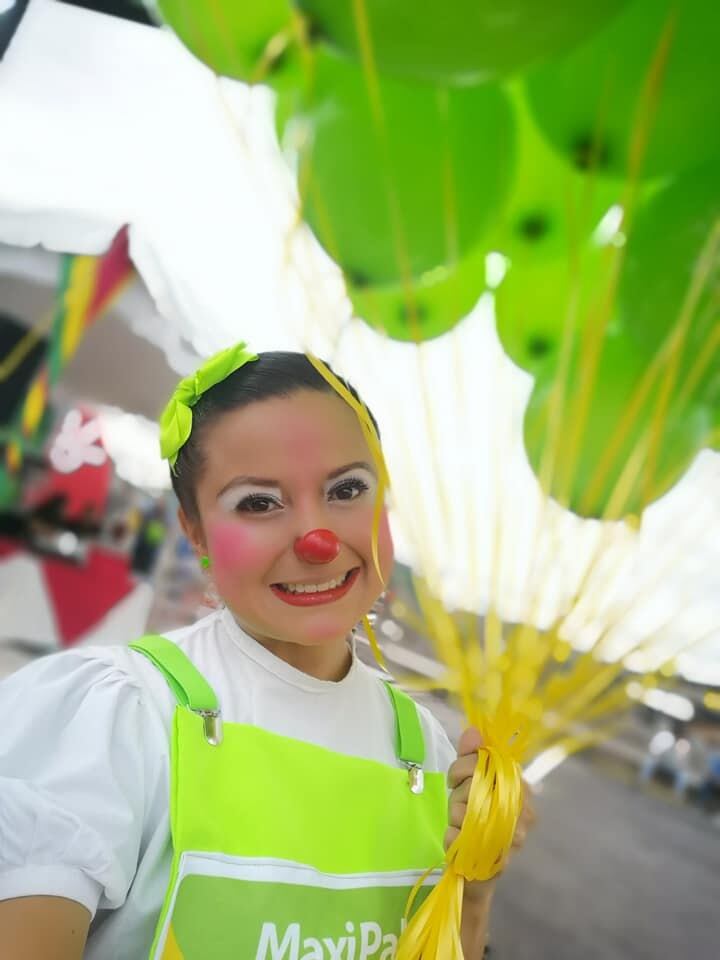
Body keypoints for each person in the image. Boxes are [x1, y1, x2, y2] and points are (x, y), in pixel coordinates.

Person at [0, 345, 533, 959]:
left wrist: (475, 888)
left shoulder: (428, 749)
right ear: (195, 530)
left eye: (348, 488)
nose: (318, 541)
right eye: (258, 502)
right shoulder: (120, 717)